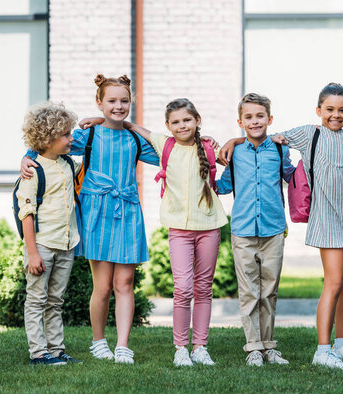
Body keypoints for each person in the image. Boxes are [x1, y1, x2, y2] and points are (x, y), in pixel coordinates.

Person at [220, 83, 343, 369]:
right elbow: (270, 137)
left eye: (342, 110)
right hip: (326, 220)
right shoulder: (309, 134)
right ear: (319, 111)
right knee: (332, 283)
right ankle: (323, 349)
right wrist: (233, 141)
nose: (335, 115)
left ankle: (342, 344)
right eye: (329, 109)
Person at [21, 75, 160, 364]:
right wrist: (27, 155)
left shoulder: (134, 138)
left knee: (125, 282)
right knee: (104, 285)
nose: (118, 106)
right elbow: (48, 141)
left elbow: (167, 151)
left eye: (124, 101)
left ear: (131, 102)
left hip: (127, 212)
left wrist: (134, 126)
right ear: (100, 103)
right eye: (111, 101)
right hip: (96, 213)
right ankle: (99, 342)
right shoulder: (88, 136)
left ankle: (122, 345)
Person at [129, 98, 228, 367]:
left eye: (187, 120)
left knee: (204, 288)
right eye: (175, 122)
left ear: (197, 120)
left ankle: (200, 347)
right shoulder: (165, 144)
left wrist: (228, 143)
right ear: (168, 126)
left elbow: (235, 157)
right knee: (183, 289)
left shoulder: (208, 147)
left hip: (209, 226)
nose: (181, 125)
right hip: (179, 230)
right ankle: (181, 347)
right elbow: (136, 128)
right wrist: (106, 120)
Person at [216, 93, 295, 366]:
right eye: (248, 117)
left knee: (269, 290)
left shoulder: (279, 150)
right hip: (243, 230)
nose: (255, 121)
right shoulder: (235, 152)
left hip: (273, 229)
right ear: (240, 121)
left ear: (269, 119)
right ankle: (253, 348)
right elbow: (224, 185)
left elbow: (292, 177)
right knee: (249, 290)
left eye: (260, 116)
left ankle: (269, 346)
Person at [16, 101, 81, 365]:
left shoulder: (67, 163)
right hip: (41, 245)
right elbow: (26, 214)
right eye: (65, 134)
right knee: (36, 300)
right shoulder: (32, 170)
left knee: (55, 300)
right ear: (47, 138)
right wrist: (32, 253)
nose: (70, 138)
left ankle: (56, 350)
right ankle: (38, 352)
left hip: (66, 244)